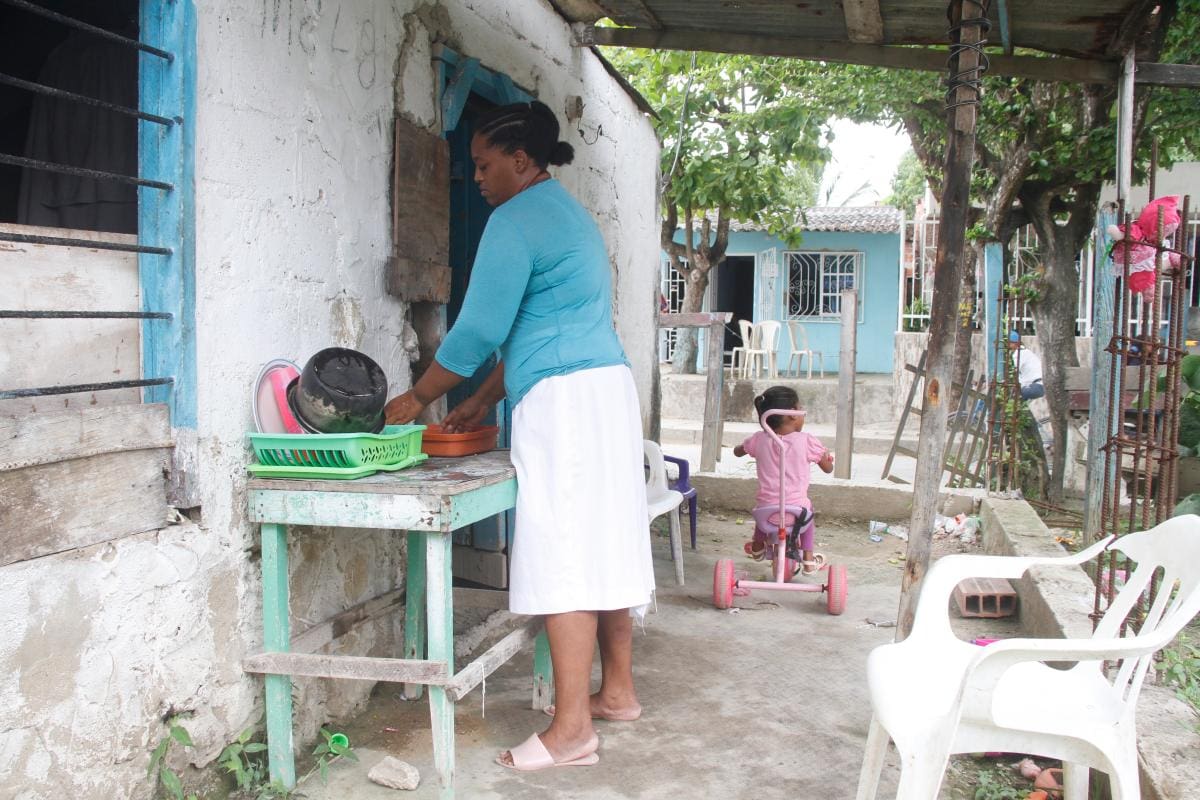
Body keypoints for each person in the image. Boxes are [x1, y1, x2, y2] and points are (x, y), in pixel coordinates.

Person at [383, 100, 653, 772]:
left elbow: (477, 331)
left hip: (564, 402)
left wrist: (418, 396)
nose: (475, 177)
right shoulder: (569, 215)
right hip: (606, 392)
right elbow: (537, 328)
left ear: (521, 162)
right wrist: (477, 402)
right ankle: (615, 692)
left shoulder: (513, 221)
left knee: (563, 549)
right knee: (606, 537)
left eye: (483, 164)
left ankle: (569, 732)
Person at [732, 386, 833, 575]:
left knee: (766, 504)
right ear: (793, 414)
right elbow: (828, 468)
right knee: (808, 515)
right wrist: (825, 456)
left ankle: (757, 546)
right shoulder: (807, 441)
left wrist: (742, 448)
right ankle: (809, 560)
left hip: (766, 513)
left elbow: (737, 452)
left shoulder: (759, 439)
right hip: (797, 512)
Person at [1008, 331, 1044, 400]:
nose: (1008, 345)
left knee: (1016, 395)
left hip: (1036, 386)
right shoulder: (1025, 351)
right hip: (1038, 385)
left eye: (1010, 343)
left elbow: (1015, 371)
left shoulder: (1019, 353)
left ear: (1015, 343)